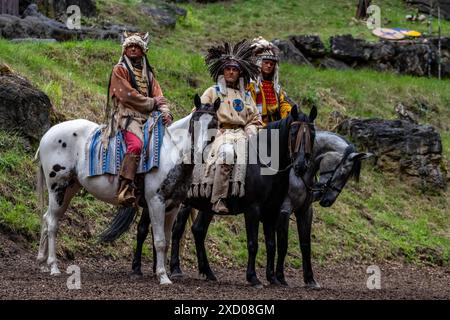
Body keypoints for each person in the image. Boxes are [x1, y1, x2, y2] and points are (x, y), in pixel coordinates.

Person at [105, 32, 173, 206]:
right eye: (129, 46)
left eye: (137, 46)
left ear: (143, 51)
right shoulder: (119, 69)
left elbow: (159, 95)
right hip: (127, 116)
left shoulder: (148, 74)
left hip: (148, 117)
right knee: (136, 145)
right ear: (125, 50)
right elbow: (127, 95)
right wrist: (152, 102)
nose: (133, 48)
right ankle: (125, 187)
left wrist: (165, 112)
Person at [200, 40, 262, 214]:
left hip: (242, 134)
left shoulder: (246, 95)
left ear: (239, 73)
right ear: (222, 71)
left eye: (234, 70)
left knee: (260, 160)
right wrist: (213, 129)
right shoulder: (212, 91)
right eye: (228, 69)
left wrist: (251, 130)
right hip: (221, 133)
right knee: (227, 154)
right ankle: (218, 199)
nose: (231, 72)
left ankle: (251, 197)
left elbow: (255, 118)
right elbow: (200, 113)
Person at [248, 37, 292, 127]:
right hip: (258, 125)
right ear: (259, 63)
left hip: (276, 124)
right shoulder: (251, 85)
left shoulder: (276, 87)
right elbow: (250, 109)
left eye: (272, 64)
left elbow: (283, 103)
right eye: (266, 62)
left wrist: (289, 115)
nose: (269, 66)